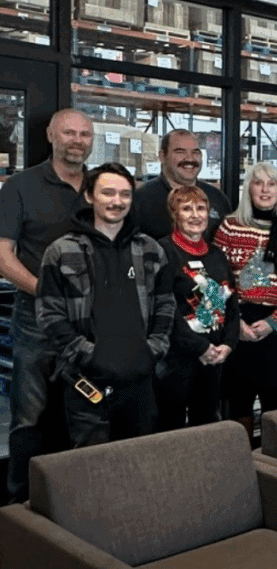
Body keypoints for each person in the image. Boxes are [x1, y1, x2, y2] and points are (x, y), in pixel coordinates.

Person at [36, 162, 175, 447]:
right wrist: (88, 355)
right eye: (108, 193)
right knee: (92, 468)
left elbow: (165, 304)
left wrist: (153, 350)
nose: (117, 201)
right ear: (89, 196)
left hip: (140, 378)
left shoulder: (150, 250)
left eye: (125, 194)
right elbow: (49, 314)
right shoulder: (62, 251)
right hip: (87, 381)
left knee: (142, 462)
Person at [0, 109, 93, 501]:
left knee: (85, 414)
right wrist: (47, 292)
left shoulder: (103, 185)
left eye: (85, 134)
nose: (77, 140)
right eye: (69, 132)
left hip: (92, 322)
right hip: (37, 319)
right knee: (30, 418)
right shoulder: (20, 186)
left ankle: (74, 502)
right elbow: (3, 257)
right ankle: (21, 505)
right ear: (52, 137)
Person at [213, 162, 277, 439]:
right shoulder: (230, 226)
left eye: (272, 184)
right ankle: (240, 459)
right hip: (238, 322)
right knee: (238, 401)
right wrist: (234, 322)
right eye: (258, 183)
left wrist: (274, 322)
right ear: (248, 189)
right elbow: (218, 278)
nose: (265, 190)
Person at [155, 186, 239, 430]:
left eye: (201, 208)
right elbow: (164, 308)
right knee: (171, 426)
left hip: (215, 357)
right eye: (186, 209)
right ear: (174, 214)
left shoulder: (217, 255)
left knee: (207, 425)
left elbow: (230, 302)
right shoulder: (163, 251)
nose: (195, 215)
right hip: (177, 359)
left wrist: (229, 343)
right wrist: (200, 348)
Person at [132, 128, 231, 241]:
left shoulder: (217, 198)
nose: (190, 158)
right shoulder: (140, 200)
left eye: (195, 152)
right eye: (180, 152)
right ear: (162, 156)